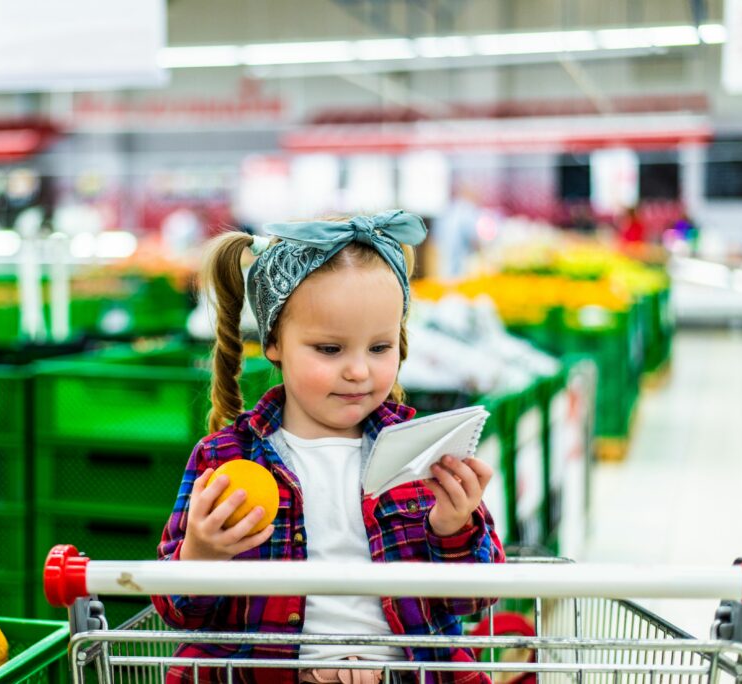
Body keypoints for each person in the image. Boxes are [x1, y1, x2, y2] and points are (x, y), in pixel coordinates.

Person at [152, 210, 505, 684]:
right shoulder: (225, 459)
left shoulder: (424, 453)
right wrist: (200, 553)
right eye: (330, 349)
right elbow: (178, 612)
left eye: (379, 348)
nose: (358, 371)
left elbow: (477, 599)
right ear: (274, 342)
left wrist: (453, 527)